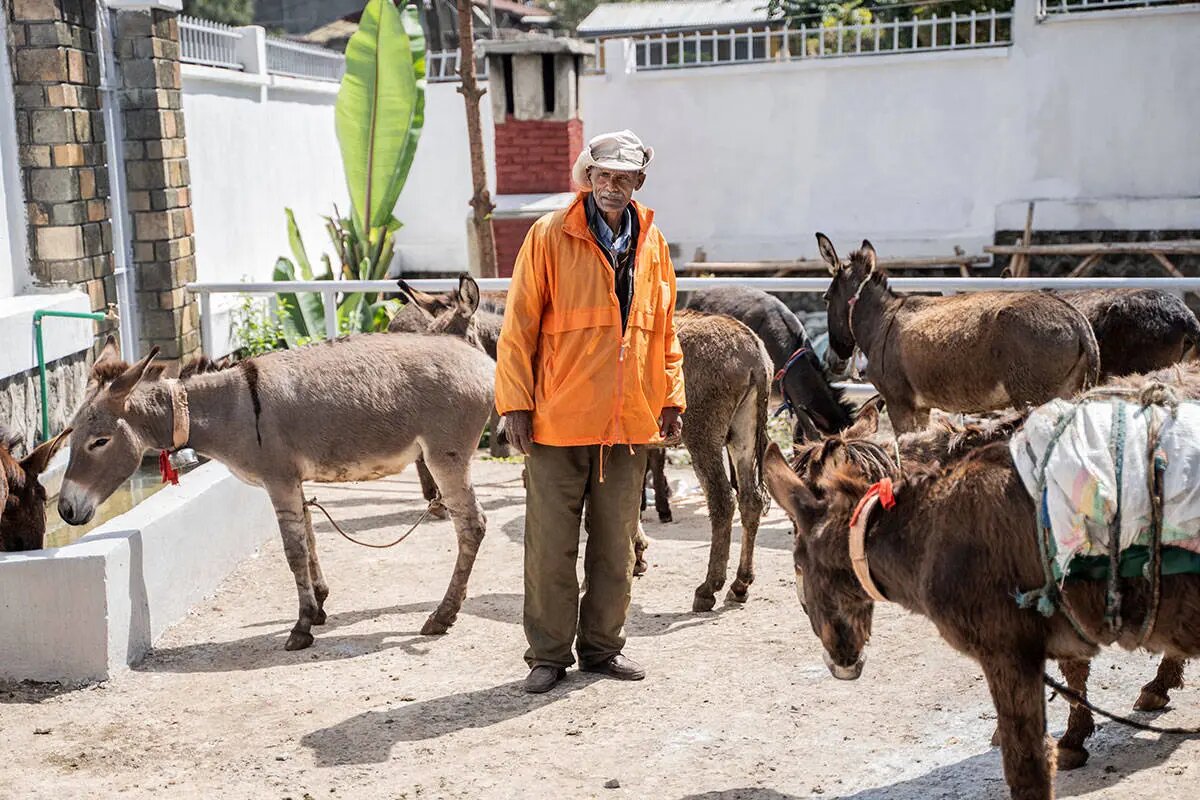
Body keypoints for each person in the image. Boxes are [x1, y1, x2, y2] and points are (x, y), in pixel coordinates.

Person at [495, 129, 686, 694]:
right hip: (557, 419)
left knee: (616, 546)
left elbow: (664, 330)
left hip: (627, 422)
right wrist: (515, 404)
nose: (611, 186)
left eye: (623, 177)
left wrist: (671, 397)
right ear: (589, 178)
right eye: (603, 176)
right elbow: (518, 326)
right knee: (549, 546)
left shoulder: (654, 243)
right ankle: (548, 654)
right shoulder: (549, 234)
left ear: (638, 182)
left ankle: (603, 649)